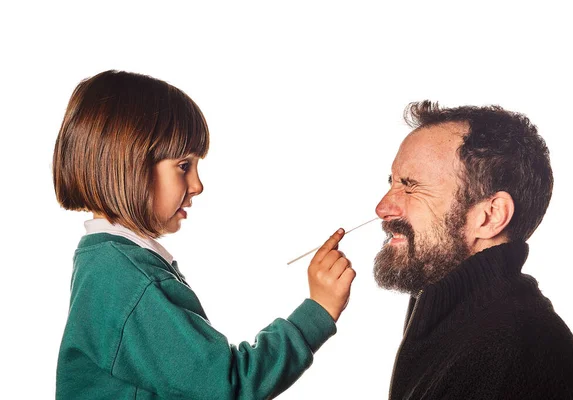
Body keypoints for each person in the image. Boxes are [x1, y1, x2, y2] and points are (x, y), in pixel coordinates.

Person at [53, 70, 356, 399]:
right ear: (130, 165)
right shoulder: (128, 280)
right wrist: (318, 311)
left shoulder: (109, 262)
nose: (197, 185)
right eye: (184, 166)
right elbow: (228, 387)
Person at [374, 101, 573, 399]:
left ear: (490, 216)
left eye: (411, 186)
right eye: (392, 182)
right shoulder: (454, 320)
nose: (383, 208)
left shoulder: (515, 346)